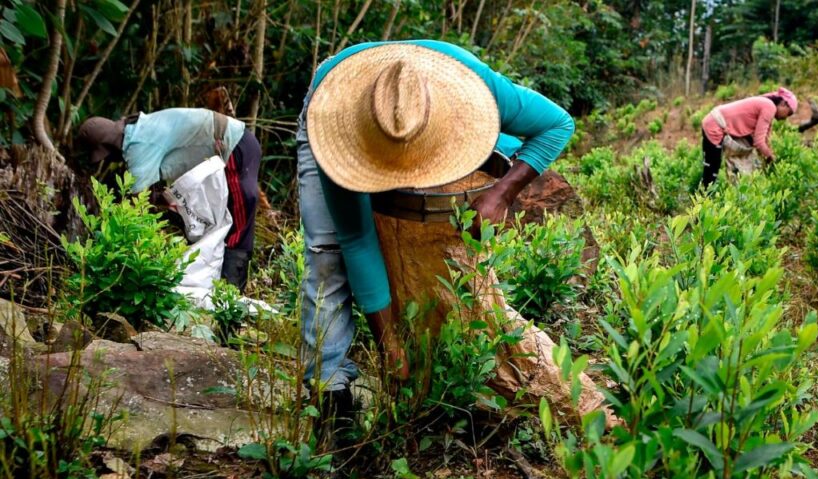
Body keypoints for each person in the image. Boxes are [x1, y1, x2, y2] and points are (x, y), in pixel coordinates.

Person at [296, 40, 575, 434]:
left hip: (441, 105)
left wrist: (501, 193)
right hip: (336, 112)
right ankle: (330, 390)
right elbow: (357, 239)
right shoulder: (333, 127)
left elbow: (557, 124)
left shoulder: (476, 87)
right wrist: (389, 343)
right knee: (327, 253)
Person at [76, 109, 261, 290]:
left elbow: (136, 208)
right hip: (226, 154)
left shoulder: (139, 144)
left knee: (240, 221)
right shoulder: (138, 128)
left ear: (107, 146)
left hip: (235, 146)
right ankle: (217, 286)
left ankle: (231, 290)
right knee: (220, 224)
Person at [700, 88, 798, 188]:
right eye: (788, 113)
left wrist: (768, 153)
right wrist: (770, 158)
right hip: (715, 125)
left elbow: (764, 139)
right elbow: (759, 142)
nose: (786, 117)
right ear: (783, 104)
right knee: (712, 170)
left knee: (712, 168)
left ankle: (706, 196)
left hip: (714, 121)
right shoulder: (769, 107)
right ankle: (702, 199)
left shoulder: (767, 105)